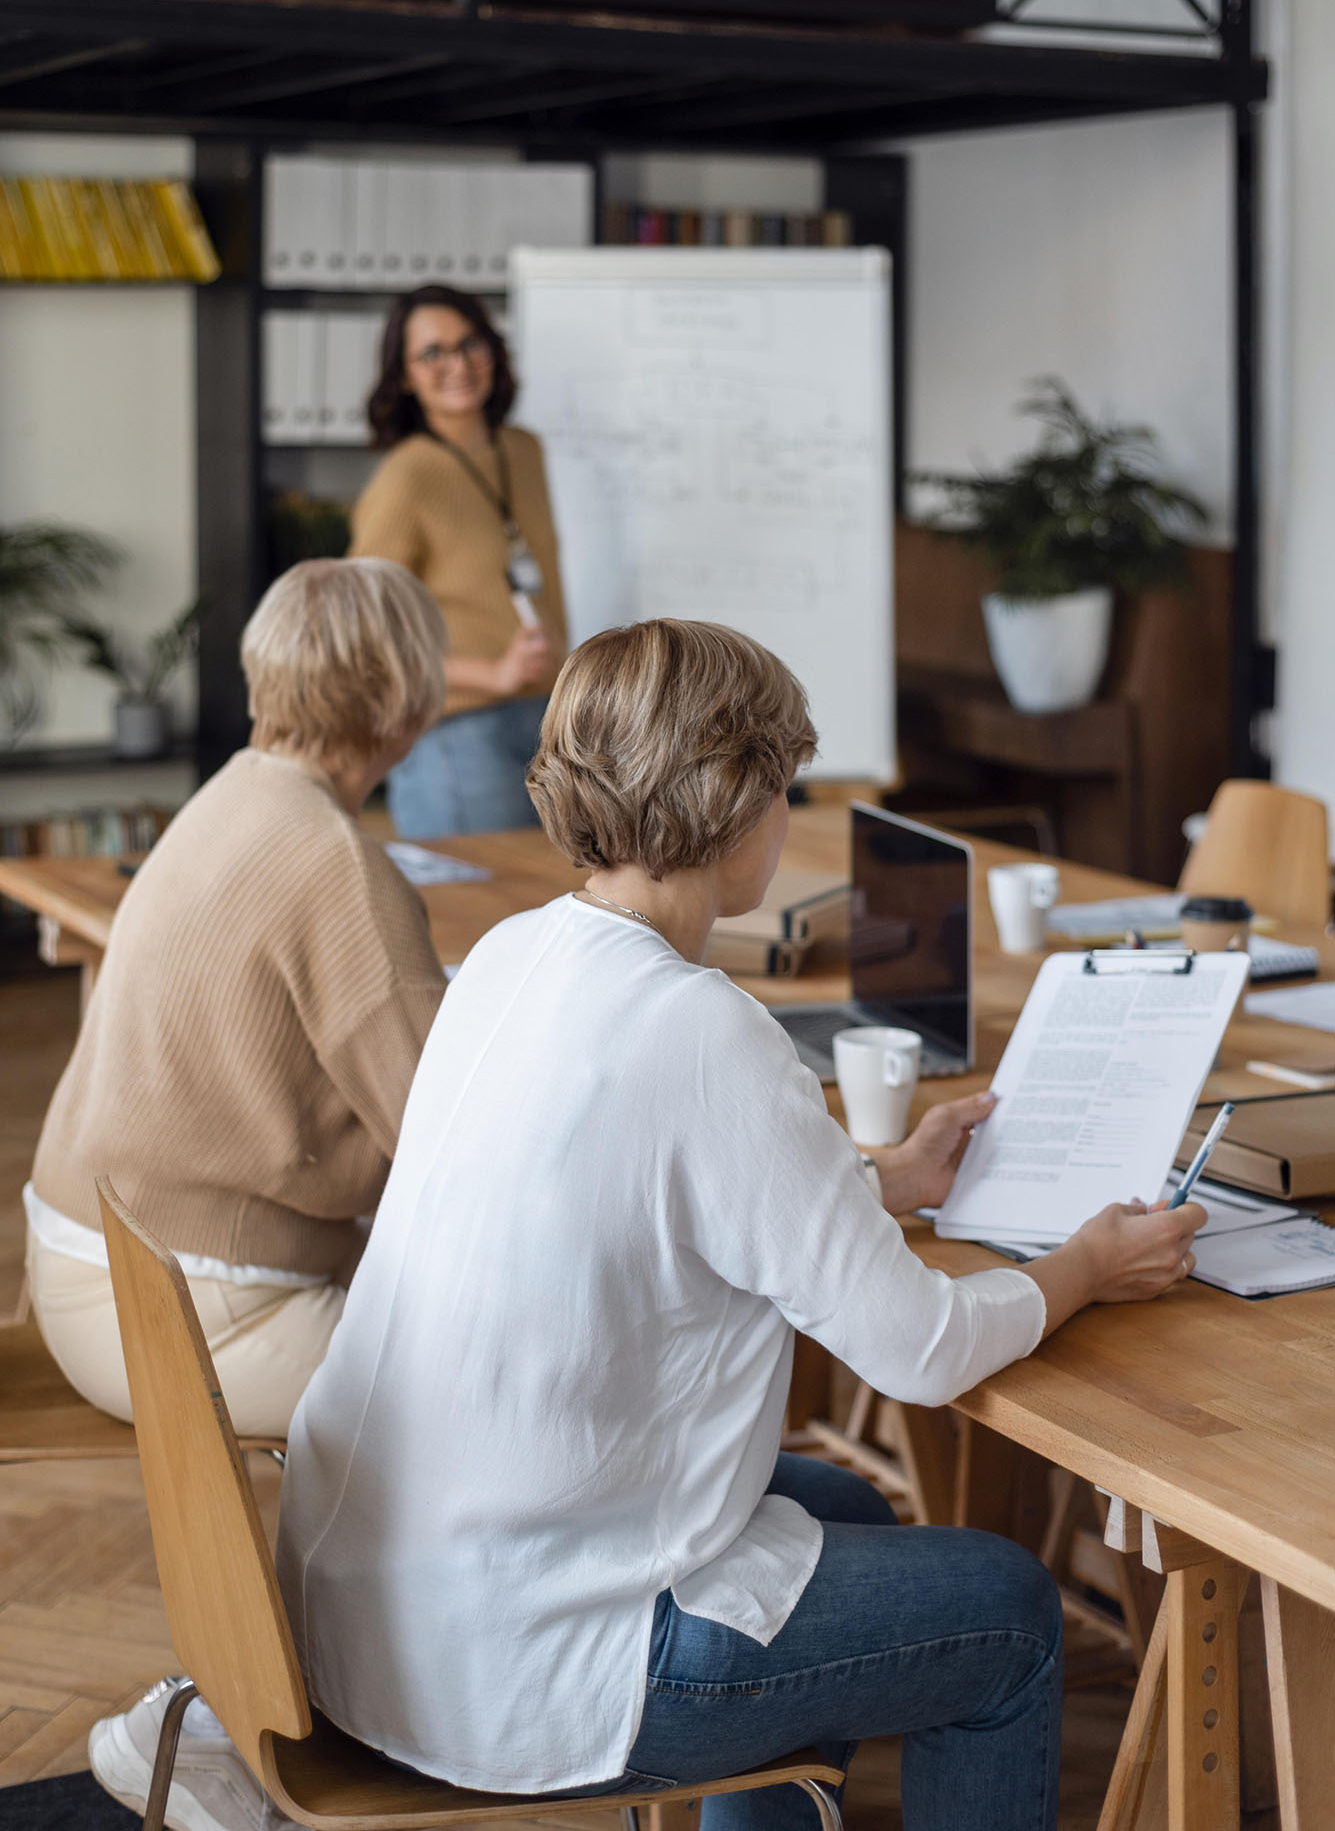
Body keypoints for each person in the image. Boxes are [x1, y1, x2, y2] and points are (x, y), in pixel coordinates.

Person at [276, 619, 1206, 1830]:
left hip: (372, 1596)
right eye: (784, 781)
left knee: (852, 1512)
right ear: (735, 800)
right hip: (523, 1661)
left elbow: (654, 1194)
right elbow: (918, 1352)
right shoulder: (706, 1029)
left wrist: (881, 1181)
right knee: (1010, 1612)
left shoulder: (513, 954)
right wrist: (1088, 1263)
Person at [25, 557, 449, 1443]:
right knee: (520, 1401)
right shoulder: (341, 868)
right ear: (407, 699)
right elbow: (449, 1140)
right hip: (184, 1311)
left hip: (89, 1268)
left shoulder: (230, 794)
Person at [348, 284, 568, 838]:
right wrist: (492, 674)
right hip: (457, 738)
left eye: (470, 344)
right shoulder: (407, 477)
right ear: (404, 376)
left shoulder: (523, 450)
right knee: (476, 918)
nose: (458, 364)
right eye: (433, 353)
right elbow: (361, 640)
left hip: (551, 726)